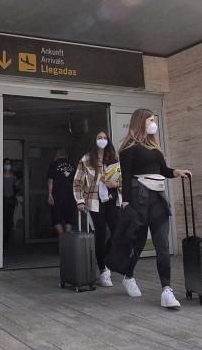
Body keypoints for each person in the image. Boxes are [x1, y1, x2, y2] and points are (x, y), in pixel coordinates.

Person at [117, 109, 192, 309]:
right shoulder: (128, 149)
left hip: (157, 199)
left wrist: (176, 172)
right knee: (139, 244)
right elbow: (125, 177)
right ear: (141, 122)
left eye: (154, 120)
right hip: (138, 200)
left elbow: (163, 171)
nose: (153, 123)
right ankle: (129, 275)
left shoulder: (155, 147)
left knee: (162, 245)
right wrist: (125, 203)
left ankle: (167, 290)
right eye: (150, 120)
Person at [74, 130, 121, 287]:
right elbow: (77, 181)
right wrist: (80, 201)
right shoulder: (86, 159)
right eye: (99, 137)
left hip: (112, 199)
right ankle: (103, 269)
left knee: (116, 232)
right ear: (94, 141)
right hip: (94, 201)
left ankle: (107, 260)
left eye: (105, 138)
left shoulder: (114, 158)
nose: (102, 140)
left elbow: (123, 178)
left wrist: (117, 184)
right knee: (101, 233)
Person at [47, 149, 76, 236]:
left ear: (57, 155)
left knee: (56, 217)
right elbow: (77, 181)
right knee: (69, 218)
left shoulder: (53, 164)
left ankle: (62, 238)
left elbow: (50, 180)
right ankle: (67, 239)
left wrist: (50, 194)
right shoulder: (72, 165)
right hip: (70, 195)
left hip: (57, 194)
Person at [2, 159, 21, 242]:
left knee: (9, 220)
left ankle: (7, 238)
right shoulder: (0, 175)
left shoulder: (14, 176)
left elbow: (16, 189)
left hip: (10, 200)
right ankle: (1, 237)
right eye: (6, 164)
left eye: (9, 164)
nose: (7, 165)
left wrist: (17, 184)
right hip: (2, 201)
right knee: (2, 219)